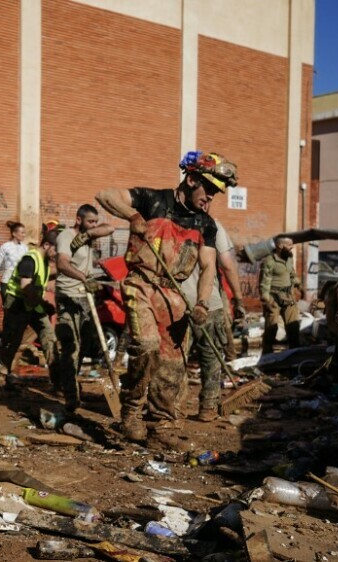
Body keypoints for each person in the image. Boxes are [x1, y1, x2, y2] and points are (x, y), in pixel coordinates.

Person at [97, 150, 237, 448]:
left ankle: (161, 426)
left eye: (215, 193)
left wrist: (200, 303)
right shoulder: (154, 200)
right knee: (146, 347)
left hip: (174, 297)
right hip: (142, 285)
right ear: (190, 179)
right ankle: (132, 412)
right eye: (208, 189)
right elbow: (105, 194)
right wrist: (133, 216)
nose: (210, 198)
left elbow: (209, 266)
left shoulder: (206, 224)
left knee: (173, 365)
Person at [179, 218, 246, 421]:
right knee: (211, 358)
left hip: (174, 301)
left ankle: (171, 407)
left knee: (175, 359)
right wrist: (238, 299)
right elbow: (227, 264)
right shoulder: (212, 224)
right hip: (208, 302)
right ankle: (208, 407)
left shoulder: (167, 218)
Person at [53, 204, 114, 411]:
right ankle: (71, 397)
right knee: (71, 346)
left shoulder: (88, 236)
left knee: (84, 345)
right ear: (78, 220)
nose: (94, 225)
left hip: (86, 297)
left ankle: (67, 381)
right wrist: (83, 278)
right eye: (90, 221)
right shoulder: (66, 237)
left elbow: (110, 229)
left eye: (96, 222)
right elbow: (61, 264)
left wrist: (90, 232)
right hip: (69, 296)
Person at [0, 230, 59, 384]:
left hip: (33, 306)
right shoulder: (29, 259)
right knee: (12, 341)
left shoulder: (43, 261)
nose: (58, 254)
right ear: (46, 245)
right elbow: (26, 286)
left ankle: (57, 377)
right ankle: (2, 373)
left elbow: (43, 280)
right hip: (17, 304)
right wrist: (42, 303)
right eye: (56, 249)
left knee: (49, 338)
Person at [259, 237, 300, 354]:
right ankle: (267, 354)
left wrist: (298, 285)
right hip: (273, 298)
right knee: (271, 328)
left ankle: (295, 353)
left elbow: (292, 273)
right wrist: (267, 300)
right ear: (280, 246)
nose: (292, 247)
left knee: (293, 327)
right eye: (289, 244)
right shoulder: (270, 261)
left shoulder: (289, 258)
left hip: (288, 297)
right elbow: (264, 282)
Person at [0, 220, 28, 300]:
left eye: (24, 232)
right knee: (7, 308)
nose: (24, 235)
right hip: (6, 282)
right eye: (22, 232)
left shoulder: (25, 248)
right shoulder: (5, 246)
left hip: (19, 283)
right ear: (14, 234)